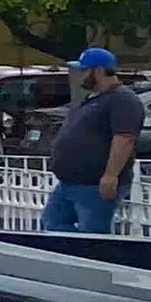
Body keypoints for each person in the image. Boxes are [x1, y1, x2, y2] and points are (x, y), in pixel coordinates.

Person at [46, 46, 140, 235]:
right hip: (69, 182)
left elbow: (124, 138)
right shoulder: (91, 98)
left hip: (93, 185)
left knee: (92, 235)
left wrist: (110, 175)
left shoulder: (122, 99)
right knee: (54, 226)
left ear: (98, 71)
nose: (78, 75)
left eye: (83, 70)